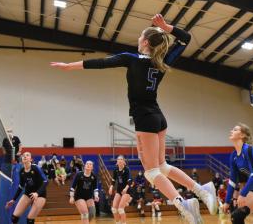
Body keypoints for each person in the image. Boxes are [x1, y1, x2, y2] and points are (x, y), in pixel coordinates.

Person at [50, 14, 217, 223]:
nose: (138, 39)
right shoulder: (161, 61)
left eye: (140, 37)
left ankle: (182, 203)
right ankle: (202, 190)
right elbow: (185, 38)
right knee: (162, 166)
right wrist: (166, 27)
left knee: (152, 172)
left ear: (145, 42)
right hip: (158, 117)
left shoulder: (131, 58)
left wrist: (69, 66)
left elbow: (101, 63)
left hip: (145, 118)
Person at [5, 152, 48, 224]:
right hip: (28, 194)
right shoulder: (21, 171)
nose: (25, 156)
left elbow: (46, 181)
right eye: (23, 155)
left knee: (29, 219)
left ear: (31, 159)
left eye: (27, 155)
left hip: (40, 195)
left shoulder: (35, 168)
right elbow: (21, 186)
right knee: (14, 217)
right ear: (21, 159)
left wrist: (37, 193)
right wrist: (13, 199)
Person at [109, 156, 133, 224]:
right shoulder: (115, 170)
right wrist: (111, 187)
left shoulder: (127, 169)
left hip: (127, 191)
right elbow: (113, 180)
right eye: (118, 159)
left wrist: (125, 188)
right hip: (119, 190)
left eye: (121, 159)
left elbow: (130, 180)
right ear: (117, 162)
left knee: (120, 209)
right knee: (114, 209)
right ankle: (118, 222)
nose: (119, 160)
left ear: (124, 162)